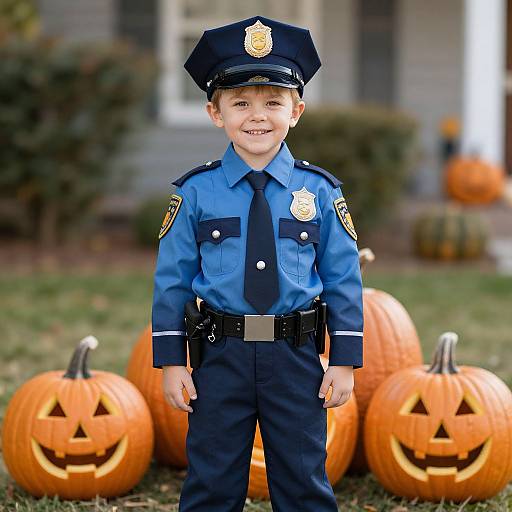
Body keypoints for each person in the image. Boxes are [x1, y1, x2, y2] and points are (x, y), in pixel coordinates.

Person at [151, 15, 363, 512]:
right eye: (240, 102)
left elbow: (344, 278)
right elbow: (172, 282)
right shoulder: (194, 193)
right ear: (214, 112)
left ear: (297, 110)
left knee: (303, 477)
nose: (257, 115)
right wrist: (170, 363)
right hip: (218, 355)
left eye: (273, 102)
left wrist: (346, 361)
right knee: (211, 477)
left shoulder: (320, 191)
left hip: (295, 357)